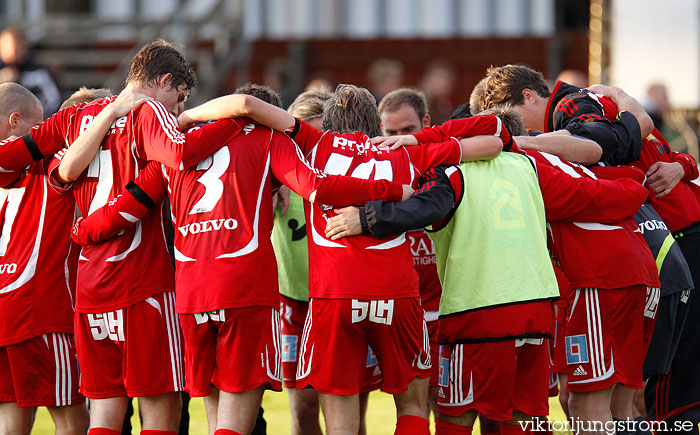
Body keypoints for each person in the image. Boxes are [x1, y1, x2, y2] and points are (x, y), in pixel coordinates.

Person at [69, 83, 409, 435]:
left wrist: (81, 232)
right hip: (243, 288)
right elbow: (316, 187)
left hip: (191, 294)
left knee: (208, 411)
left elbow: (127, 207)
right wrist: (395, 190)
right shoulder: (271, 141)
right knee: (233, 424)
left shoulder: (177, 151)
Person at [173, 84, 511, 435]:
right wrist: (418, 139)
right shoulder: (402, 154)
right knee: (412, 405)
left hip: (334, 297)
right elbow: (494, 140)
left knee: (339, 420)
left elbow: (245, 104)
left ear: (329, 123)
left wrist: (186, 117)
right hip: (395, 294)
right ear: (376, 124)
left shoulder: (314, 144)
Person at [326, 108, 655, 435]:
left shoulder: (450, 172)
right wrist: (639, 186)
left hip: (478, 311)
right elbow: (598, 195)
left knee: (455, 417)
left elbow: (424, 207)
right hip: (537, 312)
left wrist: (368, 217)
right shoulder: (529, 166)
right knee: (524, 418)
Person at [0, 38, 230, 435]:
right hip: (142, 286)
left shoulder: (74, 119)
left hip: (90, 292)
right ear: (161, 82)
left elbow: (54, 172)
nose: (178, 109)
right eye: (179, 97)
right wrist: (233, 118)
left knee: (103, 415)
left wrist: (85, 227)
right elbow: (176, 155)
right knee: (159, 410)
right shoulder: (151, 115)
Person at [0, 83, 139, 435]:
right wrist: (108, 114)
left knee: (12, 416)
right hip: (43, 308)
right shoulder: (61, 156)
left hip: (8, 302)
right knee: (72, 419)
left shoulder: (13, 163)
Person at [376, 87, 442, 428]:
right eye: (390, 133)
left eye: (408, 131)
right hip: (404, 310)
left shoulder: (447, 167)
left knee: (450, 408)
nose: (399, 141)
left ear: (426, 123)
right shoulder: (373, 174)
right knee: (410, 404)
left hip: (449, 310)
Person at [0, 27, 62, 117]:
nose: (13, 51)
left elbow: (54, 100)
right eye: (9, 46)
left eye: (18, 46)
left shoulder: (39, 72)